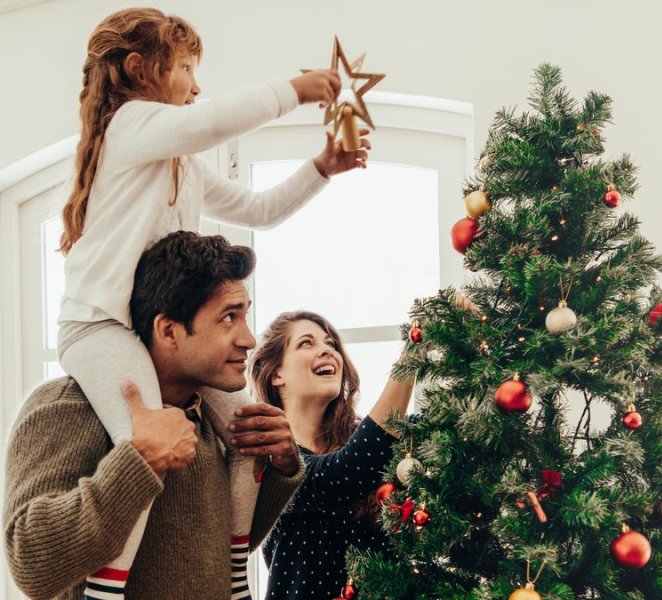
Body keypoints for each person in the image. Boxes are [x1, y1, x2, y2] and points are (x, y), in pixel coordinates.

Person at [55, 8, 369, 598]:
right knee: (145, 435)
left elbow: (260, 210)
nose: (198, 86)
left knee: (248, 431)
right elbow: (212, 122)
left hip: (154, 331)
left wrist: (321, 168)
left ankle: (232, 575)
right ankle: (106, 588)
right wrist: (294, 91)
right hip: (98, 327)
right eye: (186, 69)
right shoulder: (129, 126)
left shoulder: (183, 164)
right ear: (139, 70)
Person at [4, 231, 305, 599]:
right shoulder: (68, 404)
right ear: (169, 331)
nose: (249, 339)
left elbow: (214, 555)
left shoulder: (206, 416)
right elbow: (31, 564)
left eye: (245, 315)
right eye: (229, 317)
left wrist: (281, 467)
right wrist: (139, 461)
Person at [246, 310, 415, 600]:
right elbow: (343, 474)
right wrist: (415, 348)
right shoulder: (270, 456)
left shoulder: (370, 443)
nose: (327, 350)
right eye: (306, 343)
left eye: (331, 344)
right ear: (276, 374)